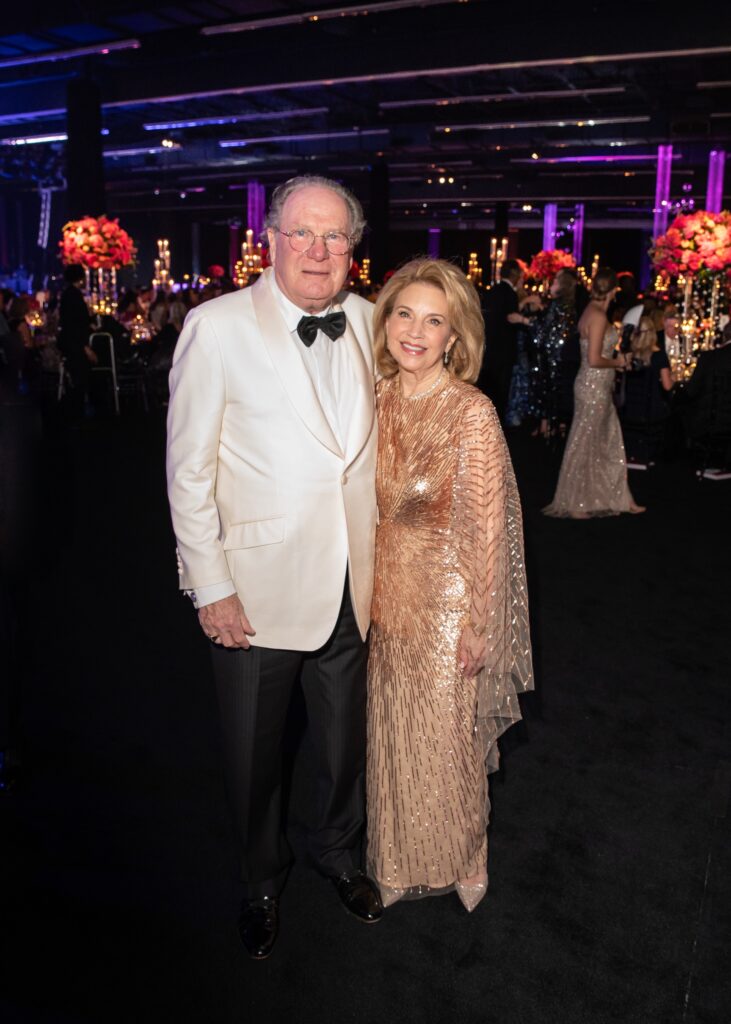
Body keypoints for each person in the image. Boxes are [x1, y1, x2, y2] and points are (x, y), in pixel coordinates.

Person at [166, 175, 381, 961]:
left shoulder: (370, 322)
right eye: (302, 234)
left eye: (334, 237)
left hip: (357, 582)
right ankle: (259, 877)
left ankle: (337, 852)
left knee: (341, 744)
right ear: (271, 239)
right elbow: (187, 471)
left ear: (353, 248)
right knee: (253, 754)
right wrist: (210, 584)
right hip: (254, 590)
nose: (318, 251)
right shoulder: (215, 326)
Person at [366, 258, 533, 913]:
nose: (415, 330)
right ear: (384, 324)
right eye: (404, 313)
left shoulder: (470, 412)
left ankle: (465, 852)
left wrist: (478, 622)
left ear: (454, 337)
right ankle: (397, 859)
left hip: (444, 603)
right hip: (380, 599)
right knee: (391, 737)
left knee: (445, 742)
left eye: (433, 320)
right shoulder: (370, 399)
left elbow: (486, 526)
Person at [544, 268, 645, 518]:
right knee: (587, 442)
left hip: (595, 386)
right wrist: (619, 362)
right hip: (593, 386)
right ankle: (577, 502)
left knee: (605, 441)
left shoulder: (592, 311)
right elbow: (594, 359)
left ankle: (620, 498)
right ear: (613, 290)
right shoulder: (598, 316)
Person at [478, 258, 533, 424]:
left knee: (488, 392)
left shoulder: (492, 290)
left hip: (489, 351)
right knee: (501, 394)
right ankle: (497, 430)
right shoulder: (510, 293)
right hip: (504, 352)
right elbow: (511, 320)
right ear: (516, 274)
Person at [528, 267, 579, 437]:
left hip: (552, 356)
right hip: (563, 355)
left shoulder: (557, 304)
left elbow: (545, 332)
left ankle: (549, 427)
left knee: (549, 389)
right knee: (559, 390)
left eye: (556, 281)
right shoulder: (570, 305)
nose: (552, 284)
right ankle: (556, 425)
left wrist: (525, 320)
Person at [620, 315, 673, 465]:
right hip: (652, 410)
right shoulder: (659, 355)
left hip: (630, 408)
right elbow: (667, 386)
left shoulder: (629, 355)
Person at [57, 264, 96, 423]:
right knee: (79, 377)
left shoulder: (68, 295)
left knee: (77, 377)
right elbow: (76, 324)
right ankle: (76, 415)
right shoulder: (74, 296)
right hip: (75, 344)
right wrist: (85, 347)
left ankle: (75, 414)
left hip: (71, 342)